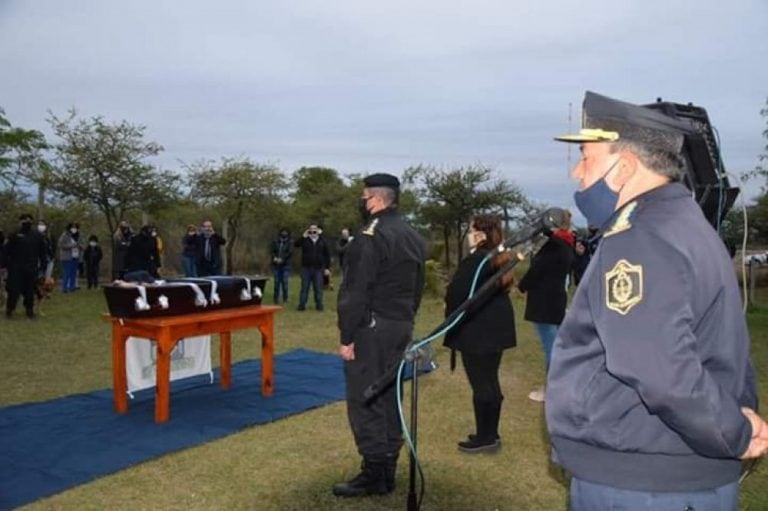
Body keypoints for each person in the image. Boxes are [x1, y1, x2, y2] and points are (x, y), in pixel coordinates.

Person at [546, 91, 767, 510]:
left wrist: (733, 430)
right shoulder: (685, 224)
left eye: (587, 157)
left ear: (624, 166)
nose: (578, 172)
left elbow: (660, 369)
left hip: (643, 481)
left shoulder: (639, 238)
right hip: (673, 471)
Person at [333, 173, 428, 498]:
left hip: (372, 327)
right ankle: (387, 467)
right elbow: (417, 286)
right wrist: (405, 320)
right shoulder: (411, 234)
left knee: (367, 396)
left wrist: (348, 336)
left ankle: (375, 472)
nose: (362, 203)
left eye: (363, 197)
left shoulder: (370, 236)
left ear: (374, 199)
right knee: (389, 395)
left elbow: (356, 291)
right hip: (399, 324)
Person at [443, 214, 516, 453]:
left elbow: (458, 294)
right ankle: (489, 432)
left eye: (471, 229)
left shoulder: (477, 261)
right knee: (490, 381)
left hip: (478, 329)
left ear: (480, 234)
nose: (468, 234)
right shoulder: (498, 258)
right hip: (494, 327)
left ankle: (485, 438)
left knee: (482, 384)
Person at [517, 210, 574, 402]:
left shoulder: (554, 246)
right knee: (556, 344)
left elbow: (537, 270)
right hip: (555, 300)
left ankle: (551, 389)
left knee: (552, 348)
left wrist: (522, 286)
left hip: (545, 303)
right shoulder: (566, 243)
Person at [4, 214, 47, 319]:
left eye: (29, 221)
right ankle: (10, 310)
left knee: (29, 291)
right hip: (15, 268)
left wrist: (43, 265)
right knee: (14, 290)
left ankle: (29, 310)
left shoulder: (37, 235)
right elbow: (6, 250)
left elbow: (43, 252)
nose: (26, 223)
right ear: (20, 222)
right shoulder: (14, 235)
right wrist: (5, 265)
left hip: (31, 268)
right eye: (24, 221)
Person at [294, 223, 330, 311]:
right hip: (306, 268)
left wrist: (327, 268)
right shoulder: (305, 240)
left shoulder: (322, 241)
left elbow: (327, 255)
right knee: (304, 288)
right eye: (311, 230)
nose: (313, 232)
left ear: (318, 231)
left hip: (318, 268)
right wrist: (303, 236)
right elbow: (296, 244)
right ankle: (302, 305)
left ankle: (319, 305)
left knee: (318, 288)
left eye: (315, 230)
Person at [58, 222, 85, 293]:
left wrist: (80, 246)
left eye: (75, 227)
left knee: (74, 273)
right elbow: (60, 244)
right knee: (67, 272)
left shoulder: (80, 235)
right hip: (67, 257)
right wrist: (71, 246)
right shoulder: (65, 235)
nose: (74, 229)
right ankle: (64, 288)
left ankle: (72, 287)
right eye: (72, 227)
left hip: (76, 256)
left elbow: (83, 245)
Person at [270, 227, 293, 304]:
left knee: (284, 281)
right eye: (282, 232)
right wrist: (274, 258)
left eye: (285, 233)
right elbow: (272, 251)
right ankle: (276, 298)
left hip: (286, 265)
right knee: (276, 282)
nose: (284, 234)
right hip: (276, 265)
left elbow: (289, 253)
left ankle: (285, 298)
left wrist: (282, 259)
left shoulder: (290, 242)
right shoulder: (275, 242)